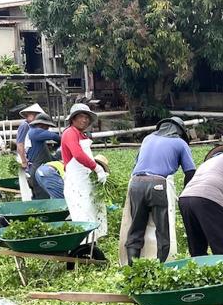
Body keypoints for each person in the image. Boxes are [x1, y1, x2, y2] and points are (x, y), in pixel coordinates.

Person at [120, 116, 196, 264]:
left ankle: (131, 267)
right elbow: (190, 172)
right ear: (180, 132)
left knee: (136, 228)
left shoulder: (148, 139)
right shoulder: (180, 143)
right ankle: (162, 267)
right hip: (158, 185)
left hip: (136, 183)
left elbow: (137, 164)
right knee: (162, 230)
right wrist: (185, 192)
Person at [61, 103, 109, 248]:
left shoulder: (81, 134)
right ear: (73, 119)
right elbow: (78, 154)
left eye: (87, 117)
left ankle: (91, 246)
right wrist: (97, 168)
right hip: (77, 185)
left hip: (85, 182)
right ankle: (84, 249)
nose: (85, 120)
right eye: (81, 117)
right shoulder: (70, 133)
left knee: (91, 212)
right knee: (83, 216)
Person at [25, 113, 60, 200]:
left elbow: (48, 156)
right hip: (37, 169)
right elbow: (54, 136)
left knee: (41, 194)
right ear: (41, 125)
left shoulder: (38, 138)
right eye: (47, 126)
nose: (48, 129)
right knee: (42, 196)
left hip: (38, 167)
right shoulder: (35, 132)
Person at [15, 102, 43, 201]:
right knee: (27, 184)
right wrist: (23, 161)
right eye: (33, 115)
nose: (35, 117)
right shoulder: (25, 126)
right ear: (28, 115)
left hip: (30, 158)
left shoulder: (32, 127)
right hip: (25, 159)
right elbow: (20, 144)